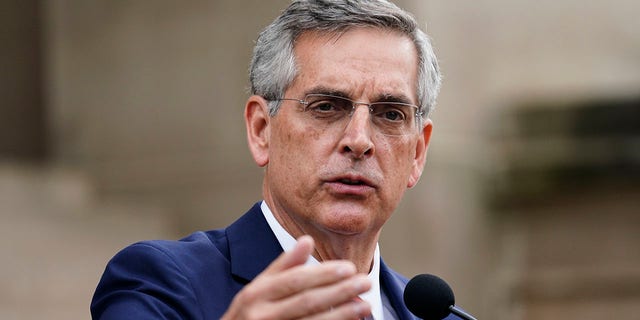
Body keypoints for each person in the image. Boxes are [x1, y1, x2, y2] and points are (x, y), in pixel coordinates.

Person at [91, 0, 458, 319]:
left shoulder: (439, 315)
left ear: (417, 153)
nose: (359, 141)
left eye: (390, 114)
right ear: (261, 129)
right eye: (326, 107)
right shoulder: (159, 283)